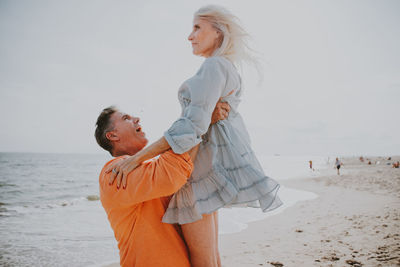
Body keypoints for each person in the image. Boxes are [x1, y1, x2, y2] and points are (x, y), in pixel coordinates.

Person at [107, 5, 282, 267]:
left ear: (218, 32)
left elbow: (191, 126)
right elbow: (201, 122)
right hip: (206, 170)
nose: (190, 36)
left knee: (204, 262)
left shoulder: (213, 66)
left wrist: (136, 159)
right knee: (211, 260)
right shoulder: (226, 67)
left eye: (197, 27)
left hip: (196, 175)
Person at [94, 105, 229, 267]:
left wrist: (204, 121)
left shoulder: (146, 168)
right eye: (126, 118)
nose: (136, 119)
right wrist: (203, 120)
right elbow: (172, 171)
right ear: (113, 135)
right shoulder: (114, 173)